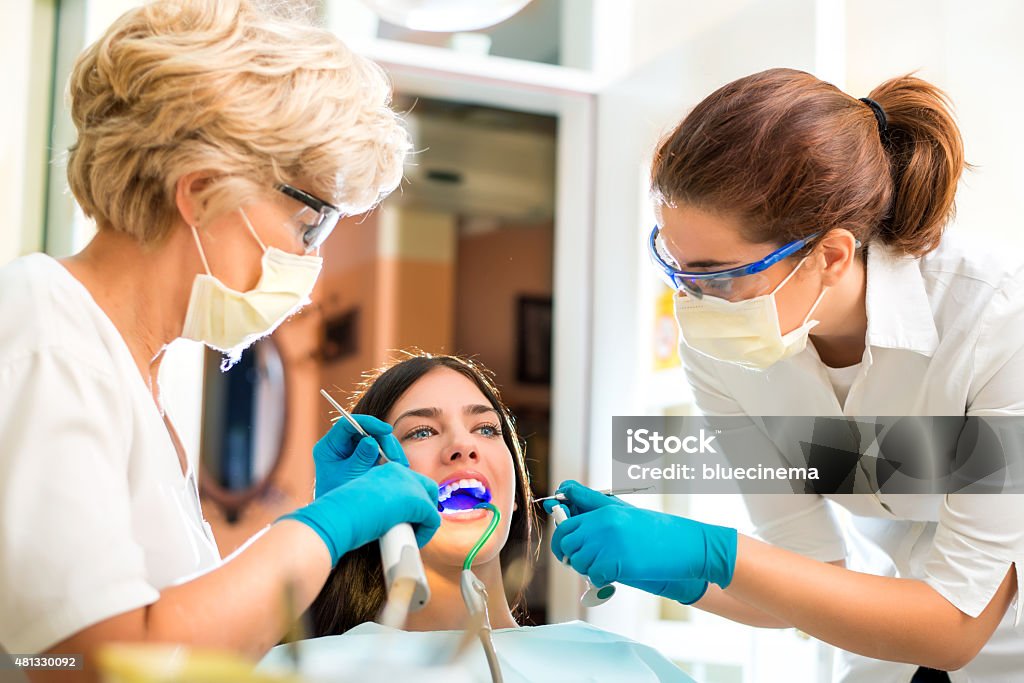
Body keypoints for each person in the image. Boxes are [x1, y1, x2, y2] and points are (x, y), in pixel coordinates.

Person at [0, 1, 442, 679]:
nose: (311, 267)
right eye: (309, 225)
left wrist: (316, 527)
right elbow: (87, 661)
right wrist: (320, 531)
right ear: (202, 188)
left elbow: (187, 642)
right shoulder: (46, 331)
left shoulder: (134, 374)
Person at [548, 68, 1023, 683]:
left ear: (830, 256)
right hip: (886, 643)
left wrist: (713, 552)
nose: (695, 300)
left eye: (718, 273)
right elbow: (806, 573)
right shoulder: (725, 355)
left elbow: (954, 626)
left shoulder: (994, 323)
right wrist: (674, 570)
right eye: (679, 266)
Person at [262, 354, 695, 683]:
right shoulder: (306, 670)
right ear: (369, 490)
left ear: (515, 489)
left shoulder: (624, 666)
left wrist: (709, 563)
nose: (463, 447)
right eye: (421, 432)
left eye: (486, 429)